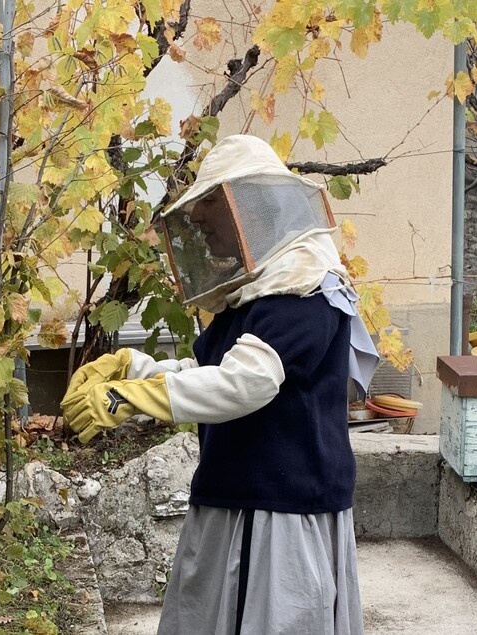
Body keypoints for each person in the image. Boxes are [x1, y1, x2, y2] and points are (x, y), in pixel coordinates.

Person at [60, 135, 379, 634]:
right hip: (238, 497)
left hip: (280, 512)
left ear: (247, 207)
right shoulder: (255, 295)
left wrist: (131, 397)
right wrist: (131, 368)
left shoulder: (305, 289)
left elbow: (247, 383)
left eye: (210, 216)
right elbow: (210, 375)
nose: (203, 230)